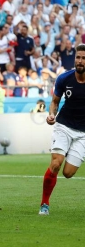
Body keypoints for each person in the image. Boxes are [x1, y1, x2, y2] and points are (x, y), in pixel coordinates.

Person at [39, 44, 85, 216]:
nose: (80, 61)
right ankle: (44, 203)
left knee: (68, 173)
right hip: (63, 126)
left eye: (83, 58)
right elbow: (55, 102)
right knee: (56, 163)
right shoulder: (64, 78)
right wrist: (52, 114)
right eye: (78, 57)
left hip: (83, 133)